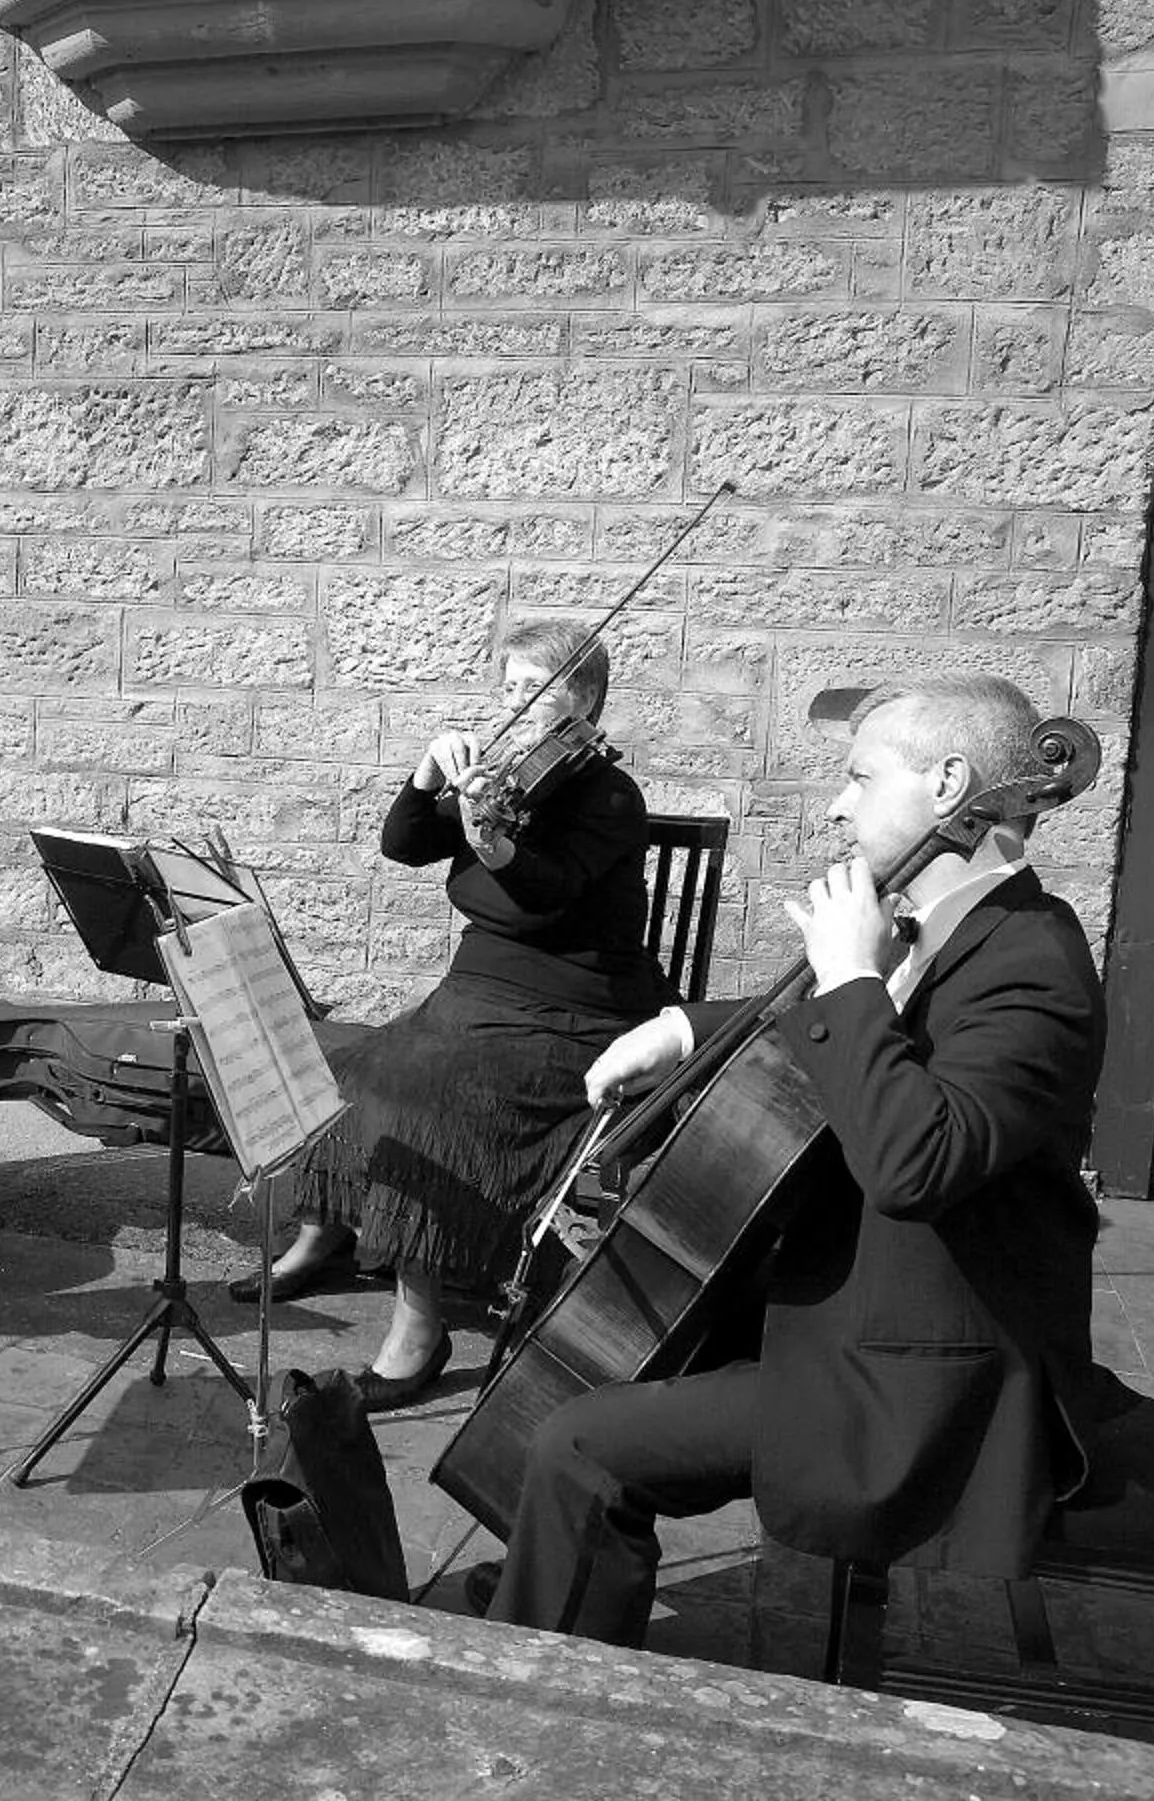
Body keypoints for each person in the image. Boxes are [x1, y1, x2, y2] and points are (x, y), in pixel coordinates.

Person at [477, 674, 1117, 1646]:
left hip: (925, 1385)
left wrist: (852, 973)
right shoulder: (957, 927)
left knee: (580, 1445)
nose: (836, 806)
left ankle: (555, 1678)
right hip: (868, 1303)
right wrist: (680, 1030)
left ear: (949, 785)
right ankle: (552, 1571)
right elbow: (847, 1037)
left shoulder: (1033, 967)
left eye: (861, 778)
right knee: (610, 1338)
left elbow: (915, 1163)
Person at [239, 620, 673, 1409]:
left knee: (425, 1107)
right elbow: (402, 844)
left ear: (584, 700)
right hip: (472, 998)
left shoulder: (608, 795)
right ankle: (324, 1231)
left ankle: (420, 1328)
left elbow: (544, 898)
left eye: (535, 688)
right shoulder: (502, 775)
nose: (515, 703)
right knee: (342, 1068)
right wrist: (426, 776)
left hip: (569, 1015)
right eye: (508, 686)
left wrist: (492, 840)